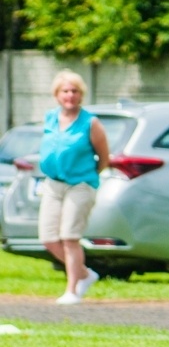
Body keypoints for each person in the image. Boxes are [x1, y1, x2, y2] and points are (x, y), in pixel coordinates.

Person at [38, 69, 110, 305]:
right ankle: (85, 274)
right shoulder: (50, 118)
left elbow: (104, 157)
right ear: (57, 94)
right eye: (65, 91)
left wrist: (88, 176)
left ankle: (72, 289)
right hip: (53, 183)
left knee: (70, 236)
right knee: (48, 238)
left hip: (79, 184)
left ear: (81, 95)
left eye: (74, 91)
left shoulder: (90, 123)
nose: (70, 95)